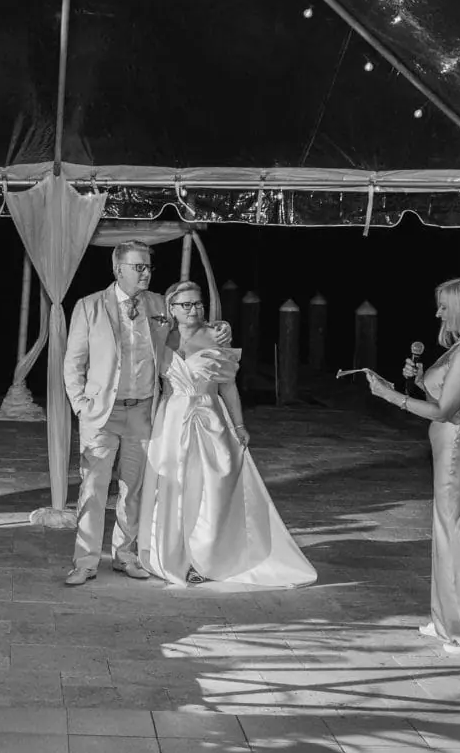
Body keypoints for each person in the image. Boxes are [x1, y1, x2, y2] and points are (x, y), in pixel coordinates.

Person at [366, 275, 460, 655]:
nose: (438, 312)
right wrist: (418, 381)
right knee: (449, 530)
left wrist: (391, 396)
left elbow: (446, 410)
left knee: (458, 533)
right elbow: (446, 396)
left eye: (445, 305)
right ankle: (451, 619)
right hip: (453, 445)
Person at [135, 282, 316, 589]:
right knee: (173, 488)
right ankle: (173, 553)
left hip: (208, 418)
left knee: (212, 490)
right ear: (172, 308)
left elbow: (228, 386)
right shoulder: (162, 335)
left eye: (198, 303)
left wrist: (239, 425)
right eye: (187, 305)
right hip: (172, 420)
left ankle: (208, 557)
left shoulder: (216, 336)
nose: (194, 310)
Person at [60, 240, 167, 584]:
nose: (146, 272)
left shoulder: (159, 305)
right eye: (139, 267)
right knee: (92, 489)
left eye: (148, 266)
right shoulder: (89, 306)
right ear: (118, 269)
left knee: (133, 488)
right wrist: (81, 405)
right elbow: (73, 362)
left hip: (142, 413)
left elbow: (183, 338)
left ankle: (125, 555)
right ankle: (86, 561)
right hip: (102, 414)